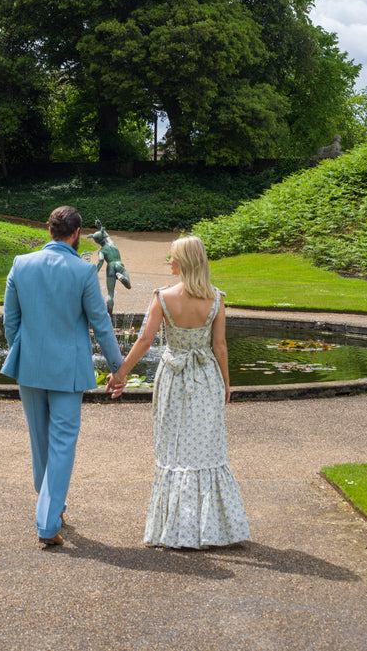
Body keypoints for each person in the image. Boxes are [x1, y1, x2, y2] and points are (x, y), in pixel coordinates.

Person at [107, 235, 250, 549]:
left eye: (171, 257)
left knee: (173, 450)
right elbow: (219, 346)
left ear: (184, 262)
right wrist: (226, 382)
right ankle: (213, 529)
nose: (168, 261)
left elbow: (144, 341)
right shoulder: (216, 298)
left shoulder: (163, 297)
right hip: (207, 378)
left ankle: (177, 530)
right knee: (207, 451)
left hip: (173, 379)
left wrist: (121, 373)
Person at [1, 205, 126, 547]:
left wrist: (23, 352)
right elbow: (101, 324)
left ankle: (51, 505)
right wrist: (118, 367)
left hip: (29, 368)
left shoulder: (20, 264)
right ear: (75, 234)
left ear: (50, 231)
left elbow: (10, 321)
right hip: (68, 371)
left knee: (40, 443)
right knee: (61, 446)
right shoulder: (83, 272)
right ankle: (46, 522)